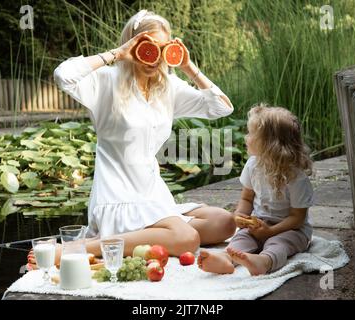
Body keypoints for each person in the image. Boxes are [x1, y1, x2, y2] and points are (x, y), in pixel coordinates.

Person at [28, 10, 236, 265]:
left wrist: (187, 66)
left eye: (163, 50)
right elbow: (63, 75)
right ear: (132, 44)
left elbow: (221, 107)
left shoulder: (168, 87)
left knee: (225, 222)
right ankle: (80, 247)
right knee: (188, 239)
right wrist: (117, 53)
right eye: (148, 48)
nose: (154, 58)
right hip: (118, 197)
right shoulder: (106, 82)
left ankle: (147, 236)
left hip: (154, 197)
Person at [197, 103, 314, 275]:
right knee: (242, 237)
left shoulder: (296, 178)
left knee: (280, 243)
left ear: (270, 144)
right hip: (259, 224)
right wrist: (240, 215)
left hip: (291, 229)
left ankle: (264, 261)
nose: (246, 137)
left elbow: (297, 217)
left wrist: (271, 231)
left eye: (251, 134)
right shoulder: (253, 165)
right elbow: (247, 198)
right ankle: (226, 258)